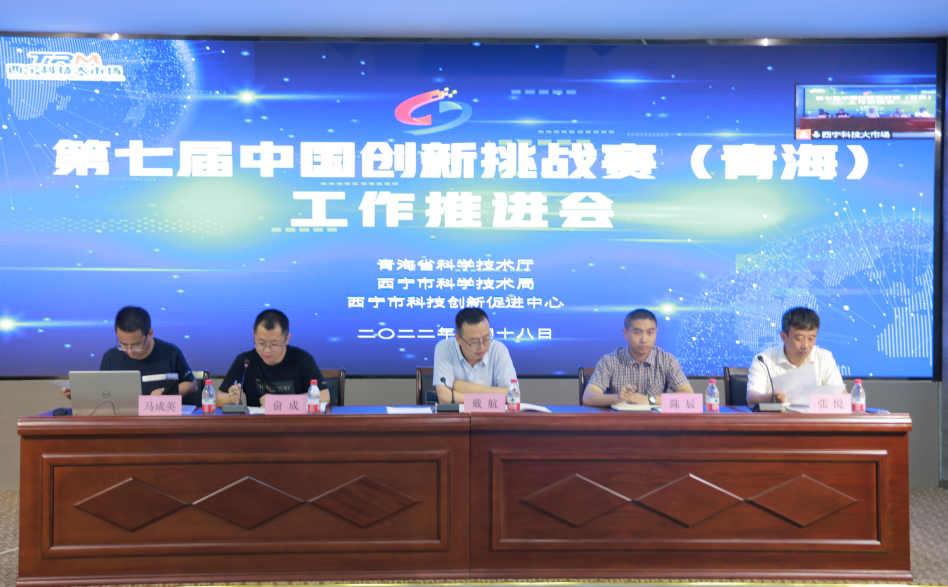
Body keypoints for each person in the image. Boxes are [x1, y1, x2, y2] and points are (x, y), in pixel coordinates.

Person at [60, 306, 198, 403]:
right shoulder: (111, 357)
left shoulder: (170, 353)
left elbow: (192, 386)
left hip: (160, 422)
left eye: (136, 345)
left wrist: (165, 391)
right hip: (124, 421)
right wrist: (80, 398)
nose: (130, 351)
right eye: (123, 344)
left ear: (150, 333)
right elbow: (103, 395)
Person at [216, 309, 327, 408]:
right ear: (253, 335)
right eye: (261, 343)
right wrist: (232, 398)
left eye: (274, 344)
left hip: (293, 422)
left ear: (287, 339)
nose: (267, 350)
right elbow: (219, 398)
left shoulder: (301, 359)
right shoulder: (246, 361)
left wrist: (278, 402)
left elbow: (324, 396)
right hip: (257, 423)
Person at [582, 309, 693, 407]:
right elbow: (587, 397)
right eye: (637, 332)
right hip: (619, 422)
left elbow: (689, 396)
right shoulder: (609, 361)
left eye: (650, 332)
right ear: (625, 333)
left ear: (656, 332)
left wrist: (649, 399)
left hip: (656, 422)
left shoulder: (667, 361)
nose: (644, 339)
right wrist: (618, 398)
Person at [746, 307, 843, 406]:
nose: (805, 345)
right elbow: (751, 397)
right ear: (784, 337)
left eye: (811, 338)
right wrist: (771, 398)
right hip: (778, 415)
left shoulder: (824, 358)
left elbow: (841, 395)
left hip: (813, 415)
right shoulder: (764, 360)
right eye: (799, 338)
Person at [433, 308, 517, 404]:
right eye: (474, 342)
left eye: (486, 339)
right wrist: (492, 398)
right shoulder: (445, 348)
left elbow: (512, 395)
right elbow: (444, 397)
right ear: (458, 339)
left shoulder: (499, 350)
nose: (482, 346)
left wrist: (466, 387)